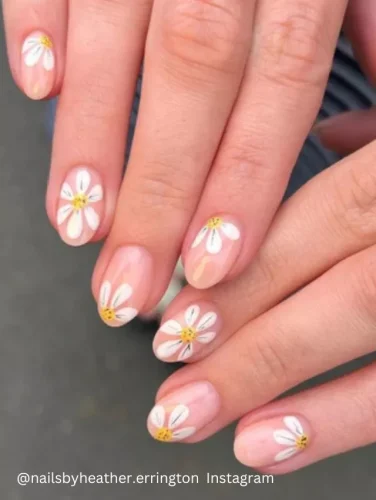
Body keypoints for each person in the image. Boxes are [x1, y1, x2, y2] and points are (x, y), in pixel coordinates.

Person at [3, 0, 376, 472]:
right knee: (124, 142)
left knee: (286, 207)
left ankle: (181, 285)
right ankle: (165, 281)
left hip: (345, 87)